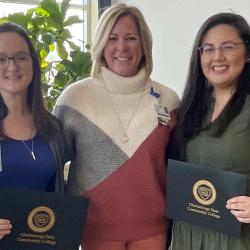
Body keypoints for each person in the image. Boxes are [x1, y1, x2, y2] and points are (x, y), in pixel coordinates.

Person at [54, 3, 179, 250]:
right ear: (101, 43)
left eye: (131, 38)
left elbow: (179, 164)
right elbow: (51, 164)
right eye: (112, 38)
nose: (122, 47)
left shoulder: (169, 100)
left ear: (144, 44)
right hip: (93, 232)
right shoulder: (75, 99)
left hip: (152, 232)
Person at [169, 12, 250, 250]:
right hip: (189, 234)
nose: (217, 57)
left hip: (238, 237)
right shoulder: (190, 107)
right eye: (208, 48)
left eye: (227, 46)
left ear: (247, 53)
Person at [0, 22, 66, 240]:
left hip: (39, 242)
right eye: (1, 59)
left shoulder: (52, 127)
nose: (12, 67)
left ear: (33, 63)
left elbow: (55, 190)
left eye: (20, 57)